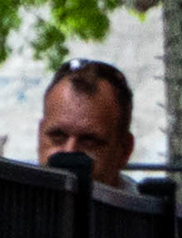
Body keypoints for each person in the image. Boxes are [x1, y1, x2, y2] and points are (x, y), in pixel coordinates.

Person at [35, 60, 132, 189]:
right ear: (40, 136)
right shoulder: (6, 205)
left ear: (124, 150)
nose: (69, 152)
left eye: (88, 141)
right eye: (57, 136)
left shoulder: (148, 209)